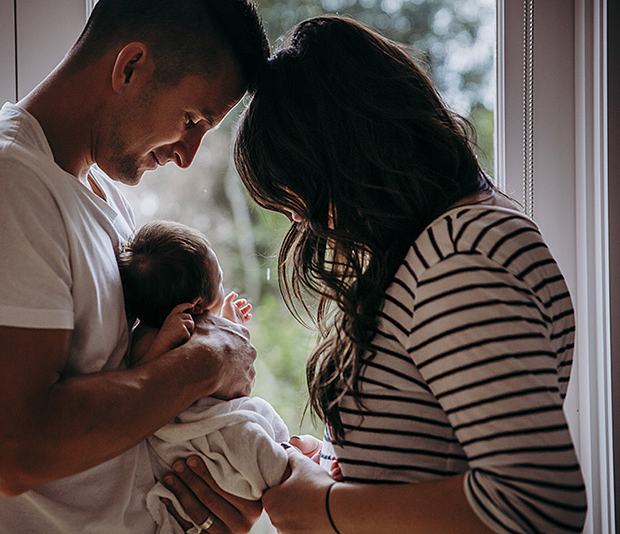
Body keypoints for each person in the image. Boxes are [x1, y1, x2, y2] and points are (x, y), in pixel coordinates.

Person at [0, 1, 270, 532]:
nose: (187, 154)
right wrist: (208, 363)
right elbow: (17, 448)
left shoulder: (99, 196)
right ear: (130, 66)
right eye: (191, 120)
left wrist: (204, 506)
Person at [232, 15, 588, 534]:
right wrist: (332, 462)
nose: (318, 229)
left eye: (306, 201)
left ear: (353, 152)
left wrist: (321, 506)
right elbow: (430, 456)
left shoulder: (461, 257)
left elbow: (535, 504)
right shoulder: (438, 247)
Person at [116, 220, 290, 533]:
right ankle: (289, 475)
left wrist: (232, 325)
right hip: (190, 432)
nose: (223, 288)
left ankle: (287, 454)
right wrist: (166, 340)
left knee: (260, 416)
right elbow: (143, 379)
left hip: (209, 418)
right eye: (220, 281)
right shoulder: (146, 338)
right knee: (248, 439)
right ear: (198, 304)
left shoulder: (175, 325)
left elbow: (234, 359)